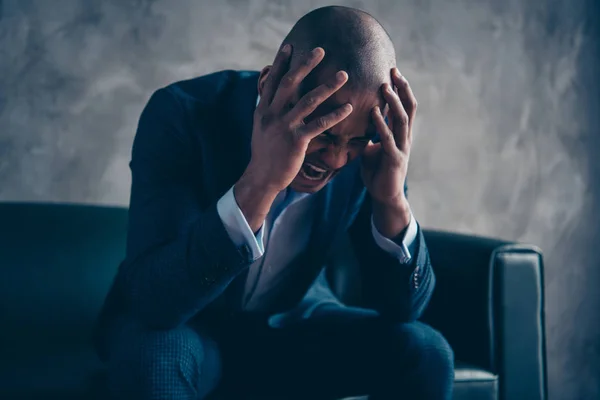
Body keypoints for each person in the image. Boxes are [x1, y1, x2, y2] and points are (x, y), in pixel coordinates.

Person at [95, 5, 454, 400]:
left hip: (294, 330)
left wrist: (391, 203)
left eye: (353, 141)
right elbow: (155, 302)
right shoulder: (183, 113)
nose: (336, 159)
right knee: (157, 356)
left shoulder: (369, 149)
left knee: (425, 350)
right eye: (322, 131)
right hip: (187, 327)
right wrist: (260, 183)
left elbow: (404, 310)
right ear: (270, 85)